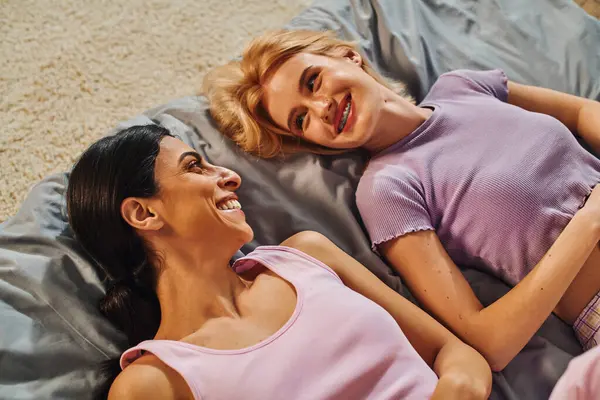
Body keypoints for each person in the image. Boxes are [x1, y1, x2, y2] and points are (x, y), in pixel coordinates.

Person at [203, 29, 600, 371]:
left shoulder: (464, 86)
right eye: (301, 120)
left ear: (348, 56)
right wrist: (589, 220)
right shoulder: (387, 189)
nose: (321, 107)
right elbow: (489, 342)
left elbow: (582, 112)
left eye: (313, 82)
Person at [66, 124, 492, 400]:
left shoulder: (306, 256)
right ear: (144, 214)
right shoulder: (152, 384)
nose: (229, 176)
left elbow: (453, 351)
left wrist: (457, 387)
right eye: (194, 167)